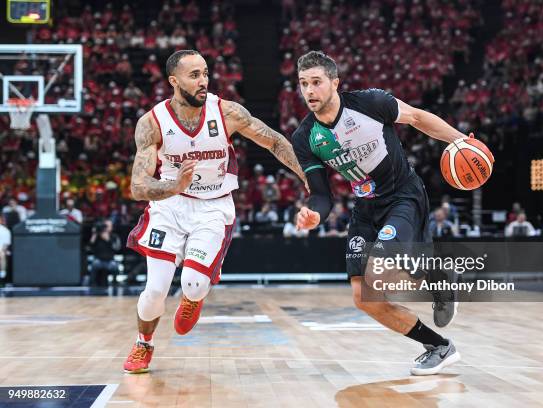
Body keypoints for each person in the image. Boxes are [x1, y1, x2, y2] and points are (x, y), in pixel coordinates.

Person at [123, 49, 307, 374]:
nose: (203, 81)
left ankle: (194, 297)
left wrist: (309, 175)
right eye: (194, 75)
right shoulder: (152, 123)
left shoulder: (227, 112)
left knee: (193, 284)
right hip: (169, 206)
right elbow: (138, 186)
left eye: (206, 73)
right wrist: (173, 187)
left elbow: (275, 142)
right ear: (173, 81)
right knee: (154, 291)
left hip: (213, 205)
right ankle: (143, 344)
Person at [291, 51, 474, 375]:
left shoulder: (371, 103)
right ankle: (439, 346)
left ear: (335, 83)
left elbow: (417, 117)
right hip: (365, 207)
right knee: (365, 297)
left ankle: (438, 276)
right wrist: (314, 214)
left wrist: (460, 141)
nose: (309, 91)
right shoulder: (305, 137)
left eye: (316, 82)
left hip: (402, 195)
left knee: (380, 272)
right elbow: (322, 194)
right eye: (303, 84)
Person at [89, 219, 122, 286]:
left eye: (109, 226)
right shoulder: (98, 235)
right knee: (94, 264)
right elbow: (91, 245)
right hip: (99, 260)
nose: (107, 228)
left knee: (115, 266)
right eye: (105, 226)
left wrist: (108, 240)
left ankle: (114, 283)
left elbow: (117, 248)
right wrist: (94, 234)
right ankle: (92, 284)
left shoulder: (114, 236)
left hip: (110, 261)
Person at [0, 216, 11, 281]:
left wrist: (2, 251)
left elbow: (6, 245)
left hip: (3, 250)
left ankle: (2, 274)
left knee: (2, 254)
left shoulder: (5, 230)